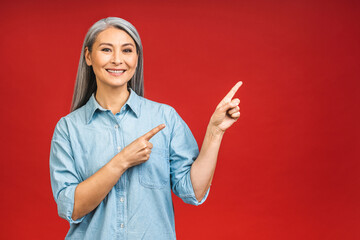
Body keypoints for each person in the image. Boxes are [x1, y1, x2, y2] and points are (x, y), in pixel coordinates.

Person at [49, 17, 242, 240]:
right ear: (89, 56)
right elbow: (70, 207)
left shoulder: (164, 118)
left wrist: (215, 132)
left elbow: (194, 192)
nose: (117, 60)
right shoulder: (68, 129)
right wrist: (122, 161)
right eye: (106, 50)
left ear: (137, 58)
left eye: (127, 50)